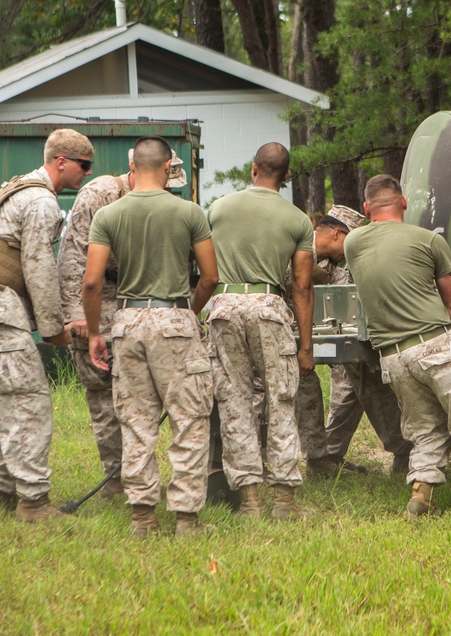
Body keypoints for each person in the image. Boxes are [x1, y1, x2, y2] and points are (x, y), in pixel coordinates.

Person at [344, 174, 451, 520]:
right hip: (434, 344)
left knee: (425, 428)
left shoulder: (353, 243)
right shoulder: (427, 240)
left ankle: (421, 495)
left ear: (365, 208)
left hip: (394, 356)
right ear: (403, 203)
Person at [0, 128, 91, 522]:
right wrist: (54, 329)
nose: (87, 173)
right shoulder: (42, 202)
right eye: (84, 165)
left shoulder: (18, 188)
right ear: (60, 161)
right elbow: (40, 269)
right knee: (27, 403)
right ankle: (32, 502)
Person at [83, 136, 218, 537]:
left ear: (133, 169)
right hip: (173, 317)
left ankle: (142, 517)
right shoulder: (189, 212)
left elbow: (91, 282)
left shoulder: (108, 215)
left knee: (136, 421)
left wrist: (94, 333)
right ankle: (186, 520)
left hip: (126, 320)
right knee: (189, 419)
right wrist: (187, 314)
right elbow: (210, 276)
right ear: (165, 168)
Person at [58, 149, 187, 500]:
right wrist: (78, 315)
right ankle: (115, 480)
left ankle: (137, 476)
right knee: (103, 395)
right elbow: (73, 256)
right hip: (99, 298)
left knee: (138, 399)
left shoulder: (159, 204)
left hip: (136, 305)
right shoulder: (100, 194)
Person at [206, 142, 316, 521]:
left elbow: (205, 266)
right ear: (286, 177)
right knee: (281, 402)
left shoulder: (218, 208)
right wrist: (305, 346)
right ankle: (284, 501)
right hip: (269, 308)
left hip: (223, 306)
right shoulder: (299, 220)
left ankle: (249, 501)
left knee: (234, 404)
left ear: (253, 169)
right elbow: (301, 287)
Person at [290, 204, 412, 478]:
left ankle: (395, 451)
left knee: (366, 377)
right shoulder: (297, 248)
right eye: (351, 240)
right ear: (336, 233)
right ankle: (318, 462)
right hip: (289, 336)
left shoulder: (336, 263)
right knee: (306, 389)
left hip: (326, 336)